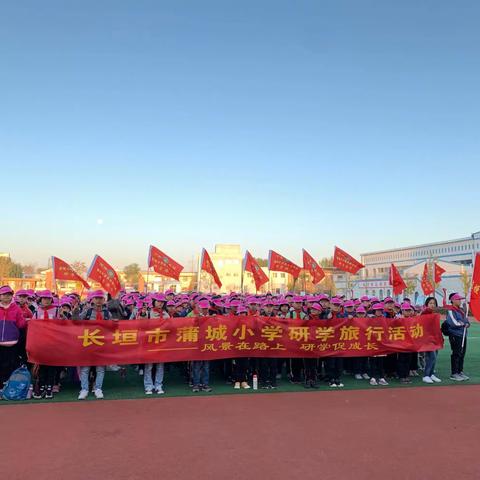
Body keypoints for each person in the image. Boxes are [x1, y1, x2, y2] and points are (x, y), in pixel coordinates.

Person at [78, 290, 114, 400]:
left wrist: (115, 324)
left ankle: (98, 389)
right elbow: (76, 323)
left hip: (102, 344)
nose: (98, 300)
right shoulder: (87, 312)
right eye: (96, 298)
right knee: (85, 368)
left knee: (100, 369)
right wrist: (75, 312)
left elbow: (112, 329)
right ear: (92, 299)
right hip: (88, 343)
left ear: (104, 300)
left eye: (101, 298)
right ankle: (84, 389)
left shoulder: (107, 314)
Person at [32, 290, 59, 399]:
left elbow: (64, 324)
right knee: (42, 366)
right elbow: (33, 326)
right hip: (41, 343)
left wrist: (62, 317)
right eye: (44, 299)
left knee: (51, 367)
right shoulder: (37, 312)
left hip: (53, 343)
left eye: (48, 299)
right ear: (40, 300)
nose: (46, 301)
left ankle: (49, 387)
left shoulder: (57, 310)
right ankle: (41, 386)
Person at [0, 286, 27, 388]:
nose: (6, 296)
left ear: (12, 296)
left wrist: (24, 321)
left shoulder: (16, 309)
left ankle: (8, 387)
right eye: (4, 294)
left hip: (12, 343)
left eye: (9, 294)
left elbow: (21, 324)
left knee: (10, 366)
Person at [445, 293, 470, 381]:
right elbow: (453, 323)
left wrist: (467, 324)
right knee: (456, 354)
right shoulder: (450, 310)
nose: (460, 301)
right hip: (455, 335)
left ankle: (460, 371)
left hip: (463, 334)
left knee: (462, 353)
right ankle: (454, 373)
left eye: (460, 299)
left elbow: (466, 320)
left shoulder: (461, 310)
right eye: (458, 299)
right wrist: (463, 324)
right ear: (453, 300)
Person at [191, 300, 213, 392]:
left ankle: (205, 384)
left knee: (206, 366)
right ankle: (196, 384)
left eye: (206, 309)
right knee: (196, 366)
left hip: (207, 344)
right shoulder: (195, 317)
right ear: (199, 308)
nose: (205, 310)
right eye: (203, 308)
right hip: (197, 345)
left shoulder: (211, 318)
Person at [422, 296, 442, 384]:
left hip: (435, 338)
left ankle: (431, 374)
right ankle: (426, 375)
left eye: (434, 303)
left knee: (434, 356)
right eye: (430, 303)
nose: (432, 305)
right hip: (427, 339)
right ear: (427, 304)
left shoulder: (434, 314)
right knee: (431, 356)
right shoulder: (425, 313)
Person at [232, 306, 251, 390]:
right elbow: (233, 334)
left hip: (246, 347)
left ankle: (244, 381)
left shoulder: (249, 323)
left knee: (245, 364)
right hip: (236, 347)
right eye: (240, 313)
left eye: (244, 313)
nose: (242, 314)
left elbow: (251, 334)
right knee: (237, 365)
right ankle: (237, 381)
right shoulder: (234, 323)